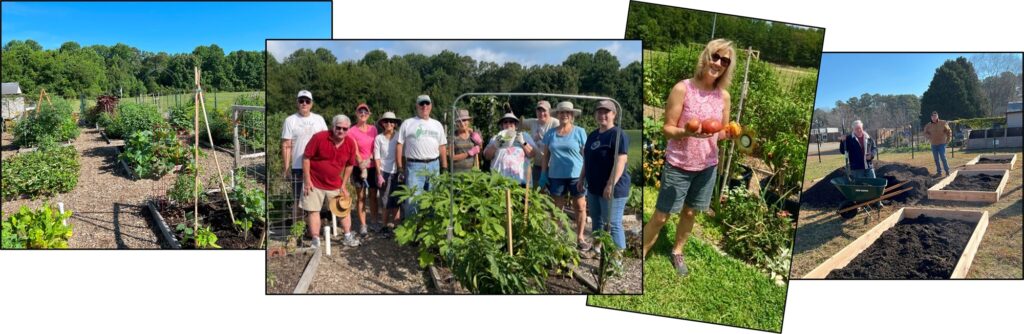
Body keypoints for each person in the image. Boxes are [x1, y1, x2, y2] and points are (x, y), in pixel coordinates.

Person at [642, 39, 737, 277]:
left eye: (724, 61)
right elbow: (667, 129)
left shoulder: (723, 96)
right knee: (662, 215)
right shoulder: (682, 89)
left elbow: (720, 131)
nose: (718, 63)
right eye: (715, 56)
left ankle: (677, 251)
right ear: (705, 56)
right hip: (679, 164)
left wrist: (733, 133)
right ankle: (639, 253)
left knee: (690, 212)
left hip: (707, 166)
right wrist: (686, 132)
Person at [579, 100, 631, 252]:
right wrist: (582, 178)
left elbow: (621, 161)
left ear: (614, 114)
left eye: (606, 112)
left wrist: (610, 184)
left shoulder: (618, 134)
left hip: (613, 188)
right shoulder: (593, 135)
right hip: (594, 187)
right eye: (599, 112)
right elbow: (587, 159)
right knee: (597, 221)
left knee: (613, 224)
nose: (602, 115)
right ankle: (597, 249)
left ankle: (617, 261)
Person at [301, 115, 359, 248]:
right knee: (313, 210)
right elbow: (306, 158)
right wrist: (307, 179)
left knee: (343, 209)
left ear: (348, 129)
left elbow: (350, 165)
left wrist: (344, 185)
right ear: (333, 127)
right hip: (314, 182)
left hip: (335, 184)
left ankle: (347, 236)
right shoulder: (319, 137)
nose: (341, 131)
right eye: (338, 128)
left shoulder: (350, 143)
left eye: (345, 129)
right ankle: (315, 239)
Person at [541, 101, 589, 250]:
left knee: (580, 206)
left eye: (567, 112)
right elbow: (546, 155)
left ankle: (580, 237)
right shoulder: (550, 133)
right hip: (556, 175)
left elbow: (586, 154)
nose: (564, 115)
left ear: (572, 115)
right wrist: (544, 173)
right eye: (562, 112)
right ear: (558, 115)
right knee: (557, 208)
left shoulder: (579, 132)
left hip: (576, 175)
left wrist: (586, 174)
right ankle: (556, 236)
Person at [396, 95, 448, 217]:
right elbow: (399, 145)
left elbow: (442, 147)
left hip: (434, 165)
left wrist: (444, 167)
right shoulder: (408, 123)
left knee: (433, 199)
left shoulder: (437, 124)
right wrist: (399, 167)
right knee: (413, 200)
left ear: (431, 106)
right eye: (421, 104)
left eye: (427, 103)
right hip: (414, 166)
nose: (424, 106)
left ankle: (429, 230)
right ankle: (412, 231)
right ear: (417, 106)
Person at [281, 90, 327, 227]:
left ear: (311, 104)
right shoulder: (290, 120)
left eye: (307, 101)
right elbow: (286, 145)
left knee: (316, 201)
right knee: (298, 200)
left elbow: (325, 142)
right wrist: (286, 168)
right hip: (297, 167)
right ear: (297, 103)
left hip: (317, 167)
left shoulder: (319, 119)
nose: (304, 104)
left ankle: (312, 229)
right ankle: (297, 232)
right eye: (301, 101)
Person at [348, 103, 379, 236]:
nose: (363, 114)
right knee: (361, 196)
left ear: (369, 114)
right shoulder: (351, 131)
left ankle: (374, 222)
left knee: (373, 195)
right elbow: (354, 150)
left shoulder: (373, 129)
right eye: (360, 112)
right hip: (358, 167)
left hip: (372, 166)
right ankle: (363, 225)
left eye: (365, 112)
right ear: (356, 113)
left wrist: (369, 160)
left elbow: (376, 147)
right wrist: (361, 163)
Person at [483, 112, 536, 185]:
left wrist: (522, 142)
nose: (508, 124)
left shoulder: (524, 136)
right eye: (505, 122)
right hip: (500, 181)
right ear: (502, 125)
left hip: (521, 181)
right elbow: (487, 156)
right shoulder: (496, 137)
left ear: (516, 125)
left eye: (511, 121)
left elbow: (532, 154)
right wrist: (495, 145)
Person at [374, 111, 402, 235]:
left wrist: (402, 169)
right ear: (382, 124)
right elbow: (377, 157)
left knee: (396, 200)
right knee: (385, 200)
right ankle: (384, 226)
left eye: (392, 121)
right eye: (386, 121)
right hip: (384, 171)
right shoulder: (378, 138)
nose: (389, 124)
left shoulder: (399, 137)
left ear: (395, 124)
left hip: (397, 171)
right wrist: (379, 174)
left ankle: (396, 226)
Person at [521, 100, 560, 187]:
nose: (541, 113)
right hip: (537, 164)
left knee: (553, 192)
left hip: (552, 165)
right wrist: (509, 112)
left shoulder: (555, 123)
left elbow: (557, 143)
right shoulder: (533, 122)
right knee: (537, 191)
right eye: (539, 110)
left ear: (549, 111)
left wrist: (542, 138)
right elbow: (519, 123)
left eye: (544, 110)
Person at [451, 109, 483, 173]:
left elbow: (480, 151)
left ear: (468, 121)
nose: (462, 123)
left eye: (464, 120)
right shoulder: (453, 136)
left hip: (472, 173)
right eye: (460, 121)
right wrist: (468, 153)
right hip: (457, 173)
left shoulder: (473, 134)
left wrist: (480, 143)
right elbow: (452, 158)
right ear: (457, 123)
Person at [923, 111, 952, 177]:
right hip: (933, 144)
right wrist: (928, 136)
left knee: (943, 157)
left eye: (935, 116)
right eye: (933, 116)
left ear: (937, 116)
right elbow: (925, 132)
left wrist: (948, 139)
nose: (934, 117)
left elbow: (949, 131)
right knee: (936, 159)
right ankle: (939, 172)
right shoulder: (928, 125)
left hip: (942, 143)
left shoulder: (943, 123)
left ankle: (947, 171)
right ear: (931, 117)